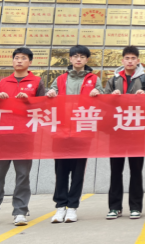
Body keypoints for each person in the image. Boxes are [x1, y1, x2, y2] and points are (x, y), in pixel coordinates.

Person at [0, 48, 46, 228]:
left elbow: (45, 106)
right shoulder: (3, 82)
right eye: (16, 58)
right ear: (12, 61)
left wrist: (29, 101)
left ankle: (20, 211)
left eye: (23, 58)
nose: (19, 61)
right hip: (2, 137)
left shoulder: (37, 82)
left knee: (22, 175)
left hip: (24, 136)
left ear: (30, 62)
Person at [47, 45, 103, 224]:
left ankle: (72, 207)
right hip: (61, 131)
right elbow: (50, 96)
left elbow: (103, 100)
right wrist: (51, 93)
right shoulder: (60, 79)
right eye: (75, 56)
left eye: (82, 56)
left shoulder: (94, 79)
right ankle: (60, 206)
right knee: (61, 170)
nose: (78, 59)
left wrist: (98, 94)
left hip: (83, 130)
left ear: (87, 60)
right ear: (70, 59)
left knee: (78, 171)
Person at [104, 46, 145, 220]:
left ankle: (135, 207)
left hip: (137, 132)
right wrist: (112, 95)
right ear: (122, 60)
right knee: (115, 171)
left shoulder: (144, 79)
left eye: (133, 58)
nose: (130, 61)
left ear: (138, 61)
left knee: (136, 171)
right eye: (127, 58)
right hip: (117, 132)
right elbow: (103, 101)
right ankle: (114, 207)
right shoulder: (113, 79)